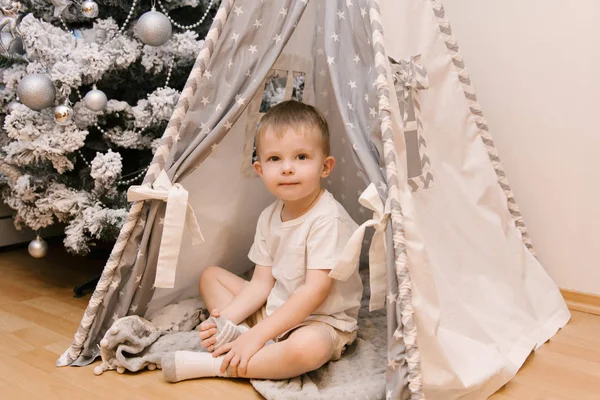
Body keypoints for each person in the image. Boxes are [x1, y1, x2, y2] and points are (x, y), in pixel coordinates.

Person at [162, 100, 363, 382]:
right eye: (275, 159)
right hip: (276, 306)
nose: (287, 168)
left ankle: (216, 366)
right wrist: (224, 320)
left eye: (302, 157)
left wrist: (258, 334)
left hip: (318, 319)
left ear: (325, 167)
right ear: (260, 170)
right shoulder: (269, 216)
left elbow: (313, 293)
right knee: (211, 277)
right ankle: (244, 343)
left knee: (308, 349)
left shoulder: (328, 220)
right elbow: (261, 284)